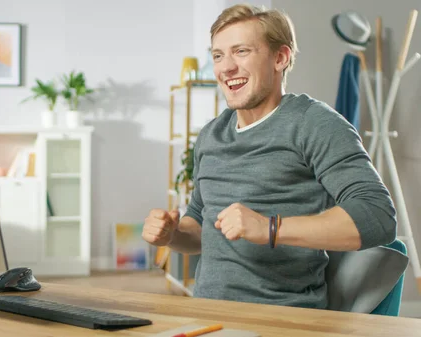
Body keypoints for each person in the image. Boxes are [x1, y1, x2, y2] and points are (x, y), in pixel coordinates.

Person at [142, 4, 397, 309]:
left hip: (282, 318)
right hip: (208, 314)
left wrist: (270, 228)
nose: (225, 68)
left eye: (241, 51)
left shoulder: (313, 123)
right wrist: (172, 235)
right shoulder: (211, 134)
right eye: (218, 55)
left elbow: (378, 216)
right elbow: (199, 227)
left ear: (280, 57)